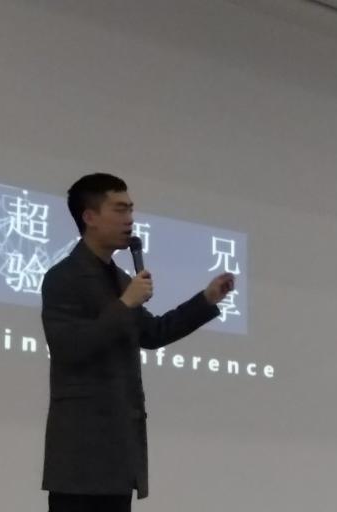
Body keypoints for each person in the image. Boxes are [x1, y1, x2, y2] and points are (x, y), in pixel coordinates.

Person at [40, 173, 235, 511]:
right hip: (80, 455)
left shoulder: (120, 279)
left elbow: (153, 333)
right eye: (120, 209)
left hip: (119, 453)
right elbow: (68, 348)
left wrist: (206, 299)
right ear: (90, 217)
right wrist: (125, 304)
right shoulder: (63, 277)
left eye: (131, 209)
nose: (130, 219)